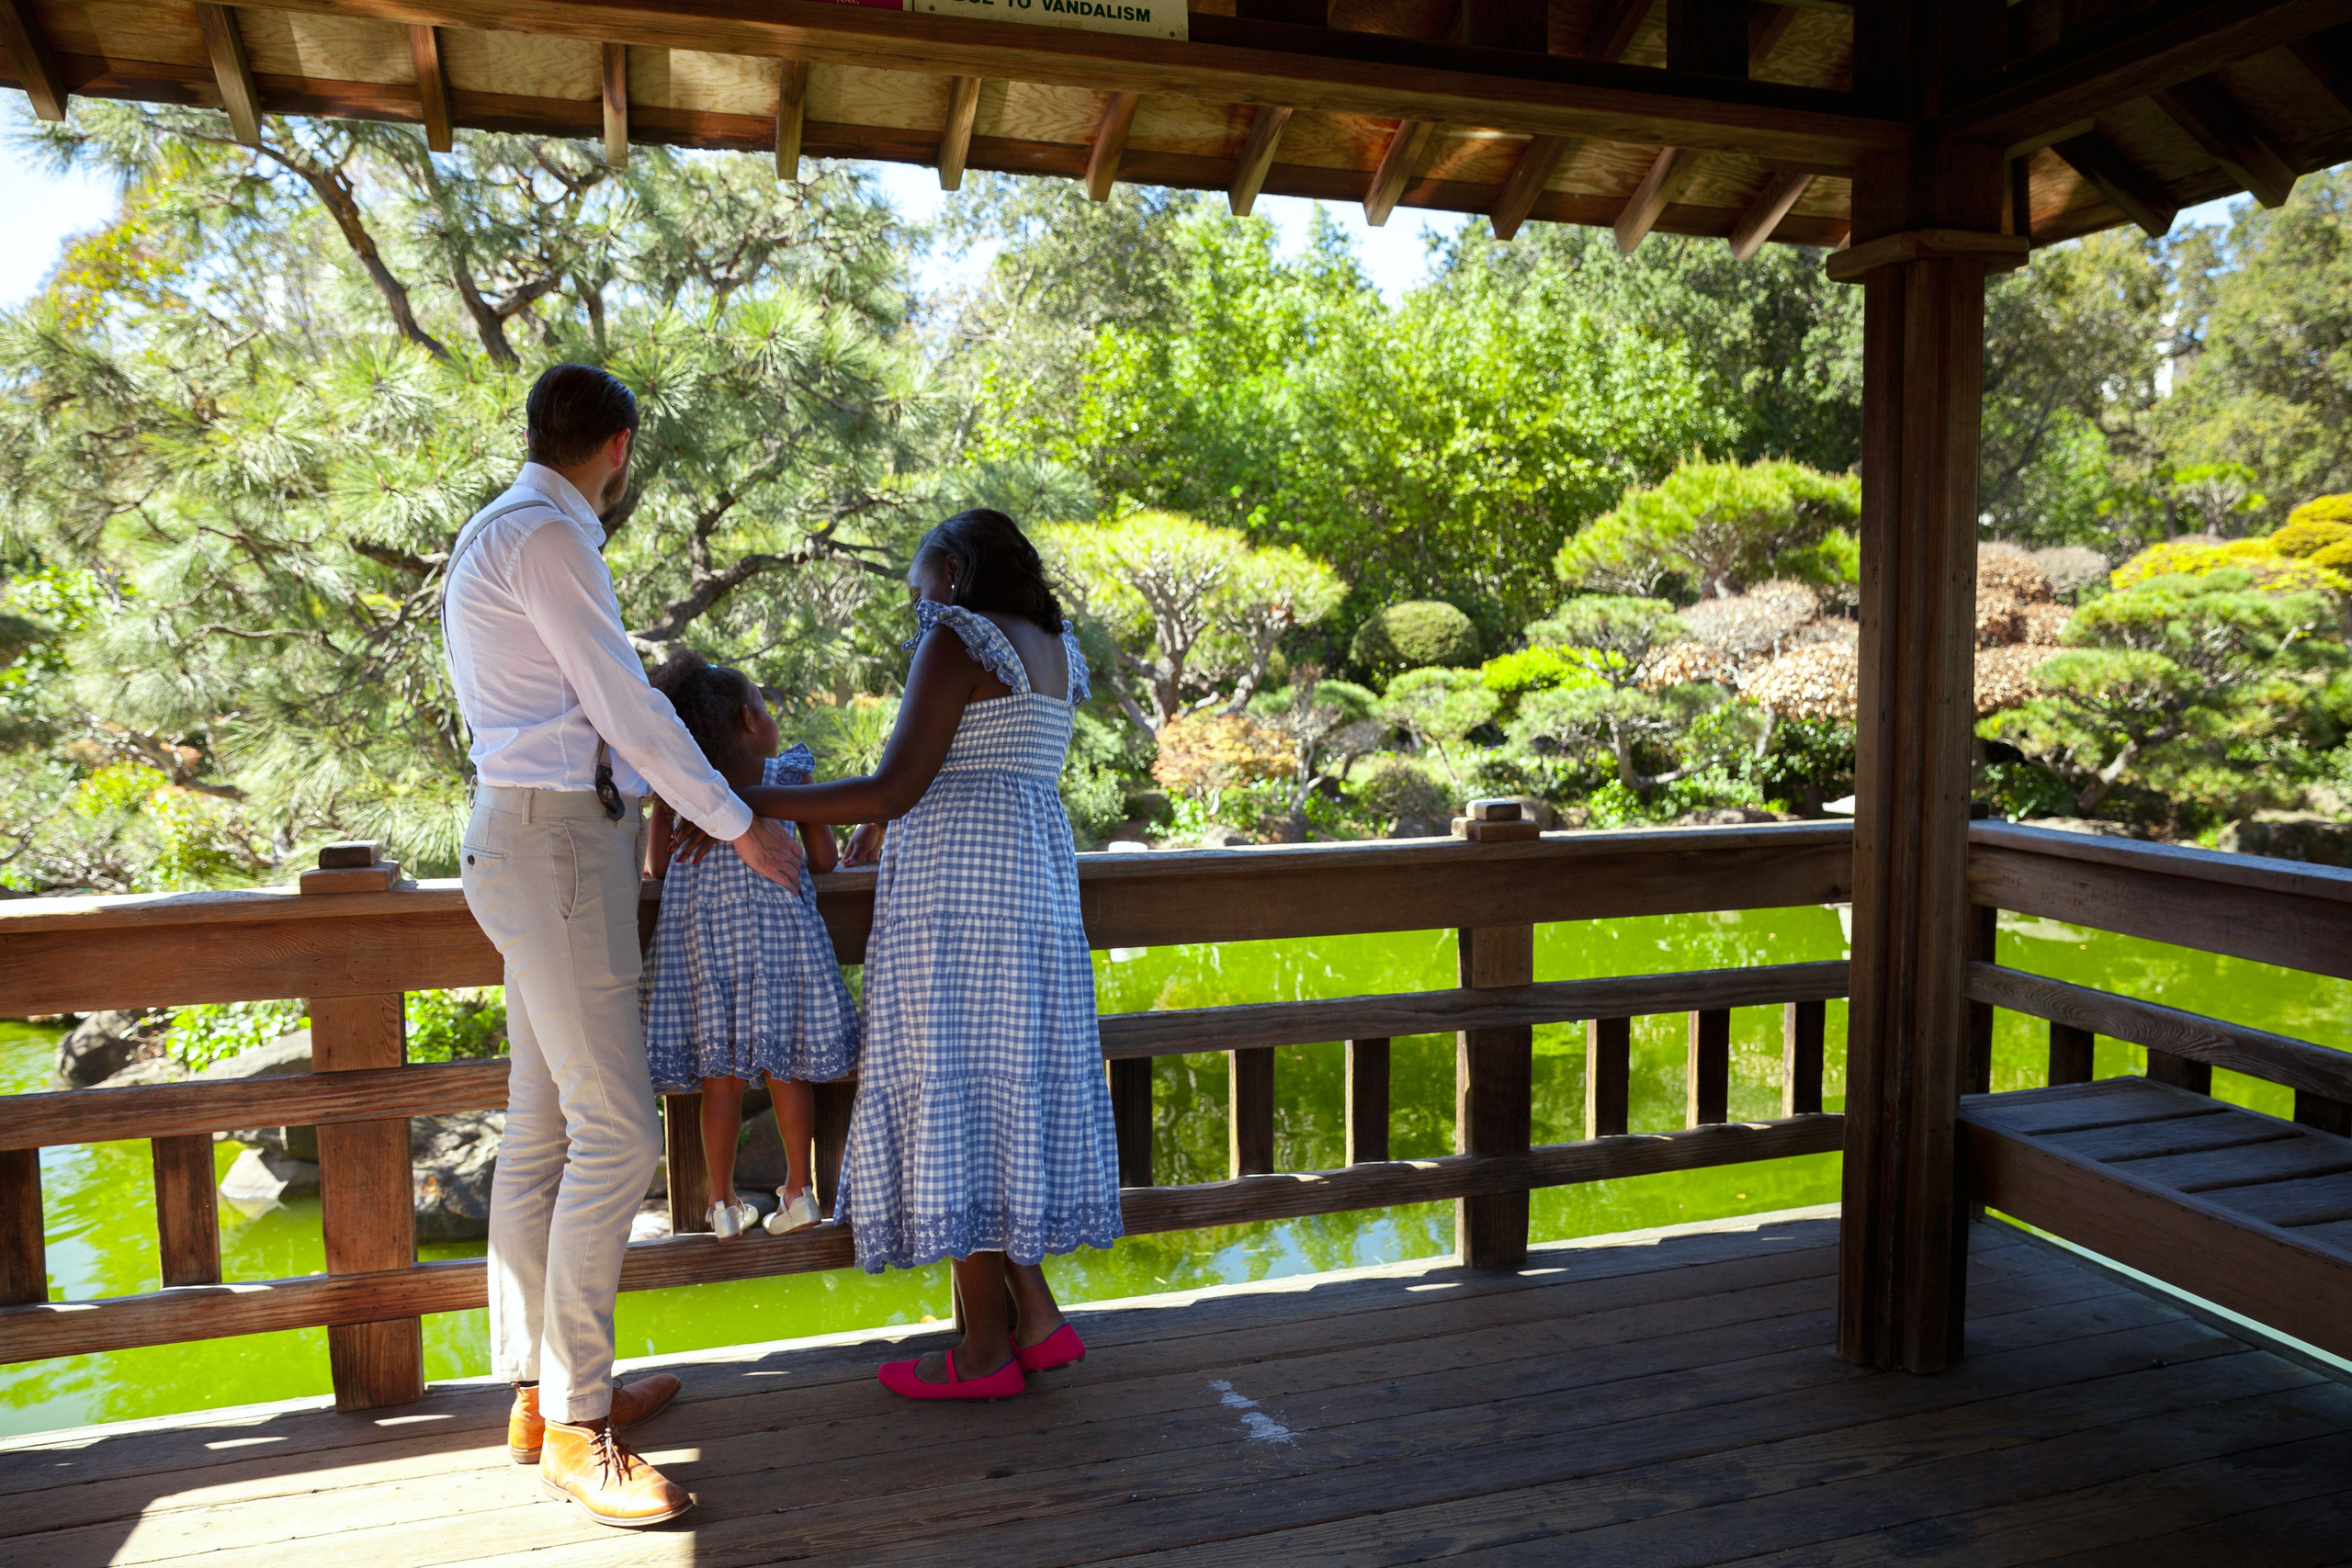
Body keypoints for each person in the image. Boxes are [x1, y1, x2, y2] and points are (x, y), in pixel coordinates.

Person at [442, 364, 806, 1527]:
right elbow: (627, 706)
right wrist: (740, 824)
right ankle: (578, 1423)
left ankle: (537, 1394)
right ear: (619, 445)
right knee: (611, 1135)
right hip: (552, 849)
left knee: (545, 1125)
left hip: (532, 838)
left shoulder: (498, 530)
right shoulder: (552, 537)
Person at [674, 508, 1121, 1399]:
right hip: (1030, 879)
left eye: (920, 587)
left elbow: (895, 784)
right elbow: (957, 768)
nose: (917, 609)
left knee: (953, 1101)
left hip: (956, 894)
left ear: (952, 572)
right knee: (993, 1096)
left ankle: (984, 1357)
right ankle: (1036, 1318)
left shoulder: (958, 637)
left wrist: (738, 796)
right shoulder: (1052, 647)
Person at [641, 649, 858, 1237]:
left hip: (707, 955)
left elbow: (657, 868)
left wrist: (688, 819)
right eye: (764, 708)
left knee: (721, 1079)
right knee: (787, 1070)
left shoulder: (683, 795)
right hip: (781, 955)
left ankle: (722, 1204)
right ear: (746, 719)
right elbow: (822, 859)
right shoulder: (789, 777)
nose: (770, 718)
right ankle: (798, 1190)